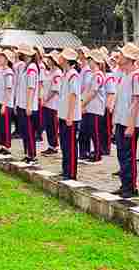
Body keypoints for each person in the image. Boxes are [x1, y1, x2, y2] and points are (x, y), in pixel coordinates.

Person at [112, 43, 139, 198]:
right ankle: (124, 184)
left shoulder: (136, 75)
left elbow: (136, 100)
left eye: (123, 55)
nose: (120, 57)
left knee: (128, 155)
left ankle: (131, 187)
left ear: (130, 58)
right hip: (120, 119)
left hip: (129, 121)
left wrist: (131, 124)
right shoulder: (123, 74)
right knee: (121, 154)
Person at [57, 48, 81, 179]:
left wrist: (70, 115)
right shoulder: (65, 73)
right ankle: (65, 169)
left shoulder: (73, 75)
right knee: (64, 144)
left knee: (70, 145)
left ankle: (71, 172)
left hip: (69, 115)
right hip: (63, 114)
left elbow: (73, 95)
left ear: (66, 59)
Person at [80, 50, 108, 164]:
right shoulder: (92, 74)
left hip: (95, 108)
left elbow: (93, 92)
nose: (88, 62)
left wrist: (83, 104)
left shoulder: (98, 74)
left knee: (95, 132)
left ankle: (97, 154)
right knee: (88, 131)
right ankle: (91, 152)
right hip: (89, 107)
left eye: (90, 60)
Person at [15, 44, 40, 163]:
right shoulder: (25, 67)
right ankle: (27, 153)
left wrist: (29, 105)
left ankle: (32, 155)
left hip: (28, 105)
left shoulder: (32, 68)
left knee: (29, 131)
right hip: (22, 103)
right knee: (24, 131)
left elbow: (31, 87)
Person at [41, 51, 63, 156]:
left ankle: (54, 146)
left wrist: (46, 99)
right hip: (47, 103)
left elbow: (55, 89)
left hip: (53, 104)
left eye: (50, 59)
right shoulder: (50, 72)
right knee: (48, 125)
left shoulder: (57, 73)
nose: (48, 61)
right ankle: (50, 145)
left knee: (53, 125)